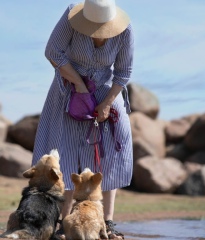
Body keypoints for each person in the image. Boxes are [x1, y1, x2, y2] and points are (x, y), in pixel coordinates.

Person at [31, 0, 134, 239]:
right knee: (65, 151)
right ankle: (64, 221)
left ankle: (107, 222)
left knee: (112, 153)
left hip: (107, 90)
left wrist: (107, 102)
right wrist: (78, 84)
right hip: (69, 86)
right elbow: (53, 51)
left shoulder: (125, 29)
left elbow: (124, 71)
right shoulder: (70, 16)